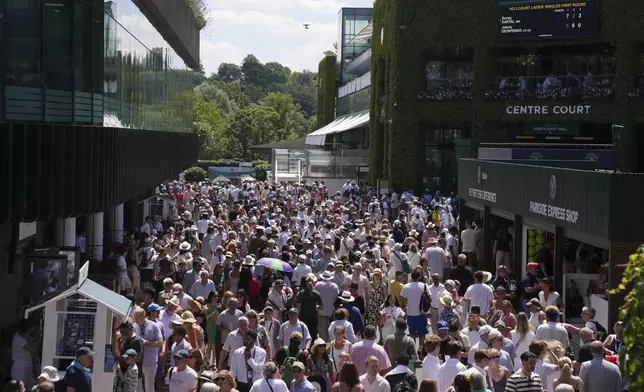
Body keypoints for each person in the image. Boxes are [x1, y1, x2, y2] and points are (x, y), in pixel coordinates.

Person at [401, 270, 430, 342]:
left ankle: (413, 350)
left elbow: (403, 301)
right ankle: (421, 350)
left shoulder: (406, 287)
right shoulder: (424, 286)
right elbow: (430, 299)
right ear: (419, 276)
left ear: (411, 276)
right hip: (422, 314)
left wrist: (405, 310)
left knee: (412, 334)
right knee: (422, 334)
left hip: (410, 314)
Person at [11, 320, 36, 391]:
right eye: (30, 330)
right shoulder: (19, 338)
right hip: (20, 368)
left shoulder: (24, 337)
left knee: (31, 388)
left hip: (27, 366)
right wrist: (32, 341)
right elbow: (33, 349)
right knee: (20, 388)